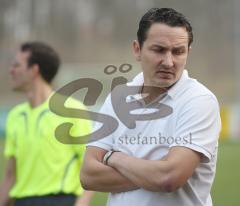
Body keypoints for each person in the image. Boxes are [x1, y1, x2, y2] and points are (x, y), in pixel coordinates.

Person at [80, 8, 221, 206]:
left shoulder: (199, 101)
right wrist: (153, 172)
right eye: (159, 50)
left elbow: (169, 178)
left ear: (188, 52)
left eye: (178, 51)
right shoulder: (117, 98)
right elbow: (88, 176)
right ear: (137, 49)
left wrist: (113, 158)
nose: (169, 62)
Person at [0, 41, 94, 206]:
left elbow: (90, 166)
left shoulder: (72, 110)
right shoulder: (15, 116)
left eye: (16, 65)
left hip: (60, 200)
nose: (11, 70)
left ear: (34, 70)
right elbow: (10, 175)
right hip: (21, 202)